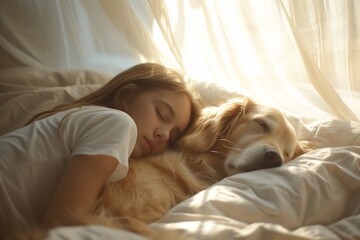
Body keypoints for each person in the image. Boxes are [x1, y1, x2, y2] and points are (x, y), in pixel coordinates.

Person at [0, 63, 200, 237]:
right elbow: (61, 226)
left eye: (173, 138)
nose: (163, 135)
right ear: (127, 94)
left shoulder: (89, 122)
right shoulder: (117, 124)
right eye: (161, 113)